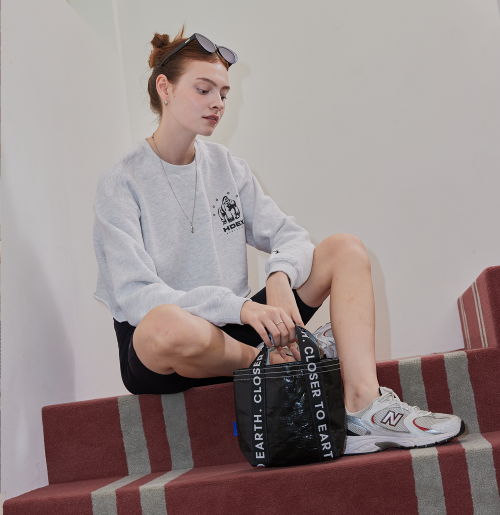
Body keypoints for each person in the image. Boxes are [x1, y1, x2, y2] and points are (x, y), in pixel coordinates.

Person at [93, 29, 464, 455]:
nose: (218, 103)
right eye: (204, 89)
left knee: (344, 249)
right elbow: (137, 296)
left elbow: (290, 236)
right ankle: (279, 362)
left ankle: (363, 404)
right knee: (163, 323)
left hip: (238, 329)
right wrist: (240, 308)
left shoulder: (226, 167)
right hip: (167, 349)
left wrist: (279, 277)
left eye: (224, 93)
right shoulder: (122, 181)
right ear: (165, 88)